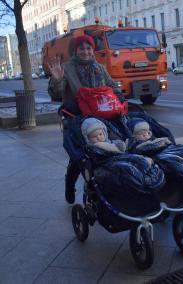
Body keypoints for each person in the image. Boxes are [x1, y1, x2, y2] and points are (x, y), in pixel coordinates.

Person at [48, 34, 123, 204]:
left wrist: (119, 98)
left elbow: (112, 87)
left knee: (104, 150)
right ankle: (70, 183)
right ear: (76, 50)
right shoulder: (67, 68)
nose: (85, 51)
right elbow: (56, 94)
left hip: (101, 117)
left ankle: (103, 186)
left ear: (93, 50)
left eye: (88, 48)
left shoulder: (100, 68)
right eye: (81, 48)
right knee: (80, 156)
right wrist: (57, 80)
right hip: (76, 118)